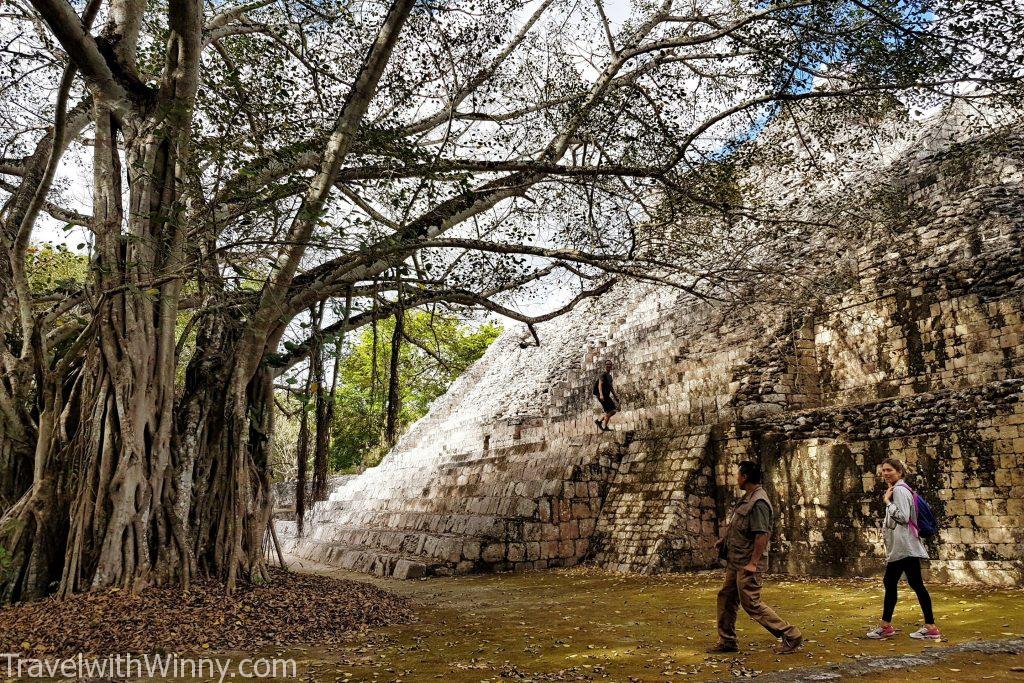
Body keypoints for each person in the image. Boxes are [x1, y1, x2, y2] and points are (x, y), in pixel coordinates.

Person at [707, 461, 803, 655]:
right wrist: (724, 541)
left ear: (745, 477)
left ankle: (790, 634)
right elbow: (739, 526)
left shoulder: (758, 502)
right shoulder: (748, 498)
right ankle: (727, 641)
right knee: (726, 598)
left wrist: (753, 563)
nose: (736, 478)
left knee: (751, 603)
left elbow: (762, 535)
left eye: (738, 475)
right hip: (736, 560)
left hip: (748, 563)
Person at [865, 457, 941, 641]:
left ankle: (887, 627)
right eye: (883, 470)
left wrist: (887, 502)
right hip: (905, 546)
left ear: (899, 472)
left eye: (889, 470)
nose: (885, 473)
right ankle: (929, 627)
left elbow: (903, 517)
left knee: (892, 584)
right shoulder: (902, 489)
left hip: (903, 547)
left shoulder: (898, 490)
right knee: (911, 585)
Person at [593, 360, 618, 432]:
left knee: (612, 410)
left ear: (611, 366)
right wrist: (601, 394)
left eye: (610, 364)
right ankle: (605, 426)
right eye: (607, 364)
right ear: (605, 365)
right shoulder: (602, 374)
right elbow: (599, 385)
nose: (609, 365)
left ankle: (599, 422)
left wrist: (615, 396)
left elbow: (611, 387)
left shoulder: (610, 377)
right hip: (601, 395)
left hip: (606, 395)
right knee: (610, 411)